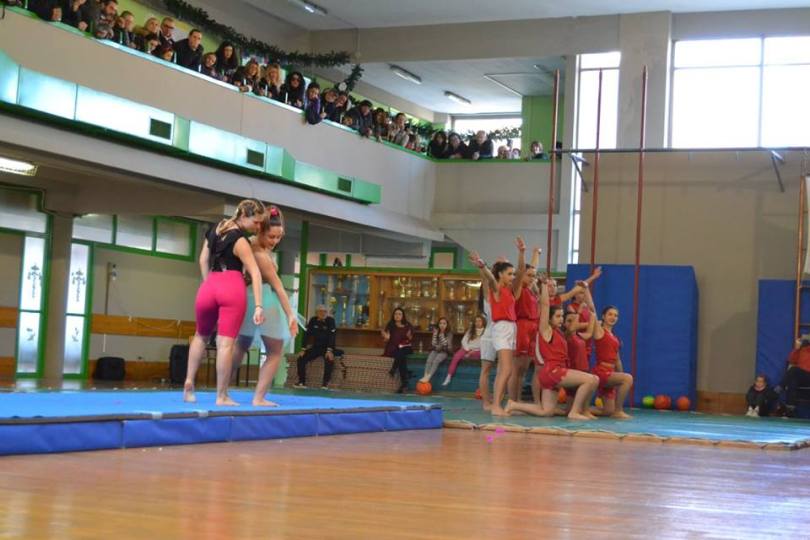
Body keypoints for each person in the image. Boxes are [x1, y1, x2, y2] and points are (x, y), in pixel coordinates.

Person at [184, 199, 266, 406]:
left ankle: (188, 383)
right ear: (244, 216)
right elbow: (255, 273)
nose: (258, 228)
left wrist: (209, 284)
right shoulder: (240, 241)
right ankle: (221, 395)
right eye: (256, 222)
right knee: (225, 344)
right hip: (232, 287)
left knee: (200, 336)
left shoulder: (215, 229)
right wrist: (258, 305)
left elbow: (203, 260)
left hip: (209, 285)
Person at [230, 206, 298, 405]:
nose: (275, 242)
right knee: (275, 350)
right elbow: (278, 287)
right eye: (271, 237)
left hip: (246, 297)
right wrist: (290, 314)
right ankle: (259, 397)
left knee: (241, 345)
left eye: (279, 237)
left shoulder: (249, 244)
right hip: (261, 299)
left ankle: (222, 389)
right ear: (260, 230)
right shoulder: (259, 255)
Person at [506, 275, 599, 420]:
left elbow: (586, 315)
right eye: (558, 316)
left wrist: (586, 289)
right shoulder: (546, 330)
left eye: (562, 316)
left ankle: (513, 405)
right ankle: (574, 412)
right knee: (592, 379)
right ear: (549, 318)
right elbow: (544, 306)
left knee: (547, 412)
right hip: (553, 371)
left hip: (551, 374)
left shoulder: (560, 333)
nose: (561, 319)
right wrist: (543, 286)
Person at [469, 237, 526, 416]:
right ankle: (494, 406)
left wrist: (522, 253)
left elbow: (522, 271)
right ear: (500, 274)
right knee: (506, 369)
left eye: (512, 274)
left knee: (506, 370)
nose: (512, 277)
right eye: (509, 274)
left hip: (511, 328)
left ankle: (497, 404)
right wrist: (482, 266)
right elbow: (489, 278)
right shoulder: (496, 290)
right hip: (500, 328)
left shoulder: (512, 291)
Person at [510, 247, 542, 403]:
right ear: (521, 275)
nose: (532, 279)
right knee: (516, 369)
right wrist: (522, 253)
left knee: (523, 370)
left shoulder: (530, 290)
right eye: (528, 276)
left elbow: (531, 269)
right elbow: (523, 269)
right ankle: (513, 400)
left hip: (532, 328)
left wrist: (536, 253)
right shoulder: (518, 289)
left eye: (533, 277)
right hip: (522, 327)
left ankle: (518, 400)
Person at [591, 304, 634, 418]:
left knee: (607, 411)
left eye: (616, 315)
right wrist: (586, 289)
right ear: (603, 316)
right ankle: (618, 411)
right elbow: (592, 309)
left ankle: (582, 409)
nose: (613, 317)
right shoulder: (600, 331)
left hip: (611, 373)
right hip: (601, 372)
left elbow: (617, 360)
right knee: (628, 378)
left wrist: (621, 375)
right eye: (610, 314)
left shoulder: (615, 338)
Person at [295, 305, 338, 389]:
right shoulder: (313, 320)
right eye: (321, 311)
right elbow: (306, 335)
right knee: (301, 358)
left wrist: (329, 350)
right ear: (317, 313)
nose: (323, 313)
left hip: (327, 348)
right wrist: (303, 349)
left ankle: (325, 384)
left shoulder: (330, 321)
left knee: (329, 359)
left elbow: (332, 336)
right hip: (316, 347)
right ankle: (301, 382)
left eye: (325, 311)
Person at [443, 315, 486, 386]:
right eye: (476, 321)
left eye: (479, 321)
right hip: (466, 348)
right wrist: (468, 349)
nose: (477, 323)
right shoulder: (470, 330)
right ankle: (449, 376)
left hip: (478, 351)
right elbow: (464, 341)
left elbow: (484, 344)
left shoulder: (486, 332)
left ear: (483, 322)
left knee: (479, 355)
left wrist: (473, 351)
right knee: (456, 356)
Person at [382, 307, 413, 393]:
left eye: (399, 314)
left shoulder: (408, 325)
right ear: (393, 315)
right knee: (401, 357)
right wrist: (386, 337)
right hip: (393, 348)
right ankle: (404, 383)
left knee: (401, 352)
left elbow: (410, 338)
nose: (397, 316)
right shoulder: (390, 325)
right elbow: (385, 339)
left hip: (405, 347)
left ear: (403, 316)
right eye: (396, 314)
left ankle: (393, 369)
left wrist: (409, 337)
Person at [782, 337, 810, 415]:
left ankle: (781, 386)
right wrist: (797, 349)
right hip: (801, 376)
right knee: (792, 381)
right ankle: (790, 410)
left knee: (794, 369)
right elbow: (792, 360)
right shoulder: (801, 350)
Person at [420, 317, 453, 383]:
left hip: (445, 351)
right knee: (429, 360)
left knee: (436, 360)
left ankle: (429, 376)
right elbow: (433, 344)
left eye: (444, 323)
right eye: (440, 323)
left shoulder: (449, 333)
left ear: (447, 325)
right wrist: (434, 335)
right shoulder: (436, 332)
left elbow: (446, 344)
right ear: (438, 324)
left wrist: (441, 336)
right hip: (436, 350)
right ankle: (425, 375)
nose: (442, 325)